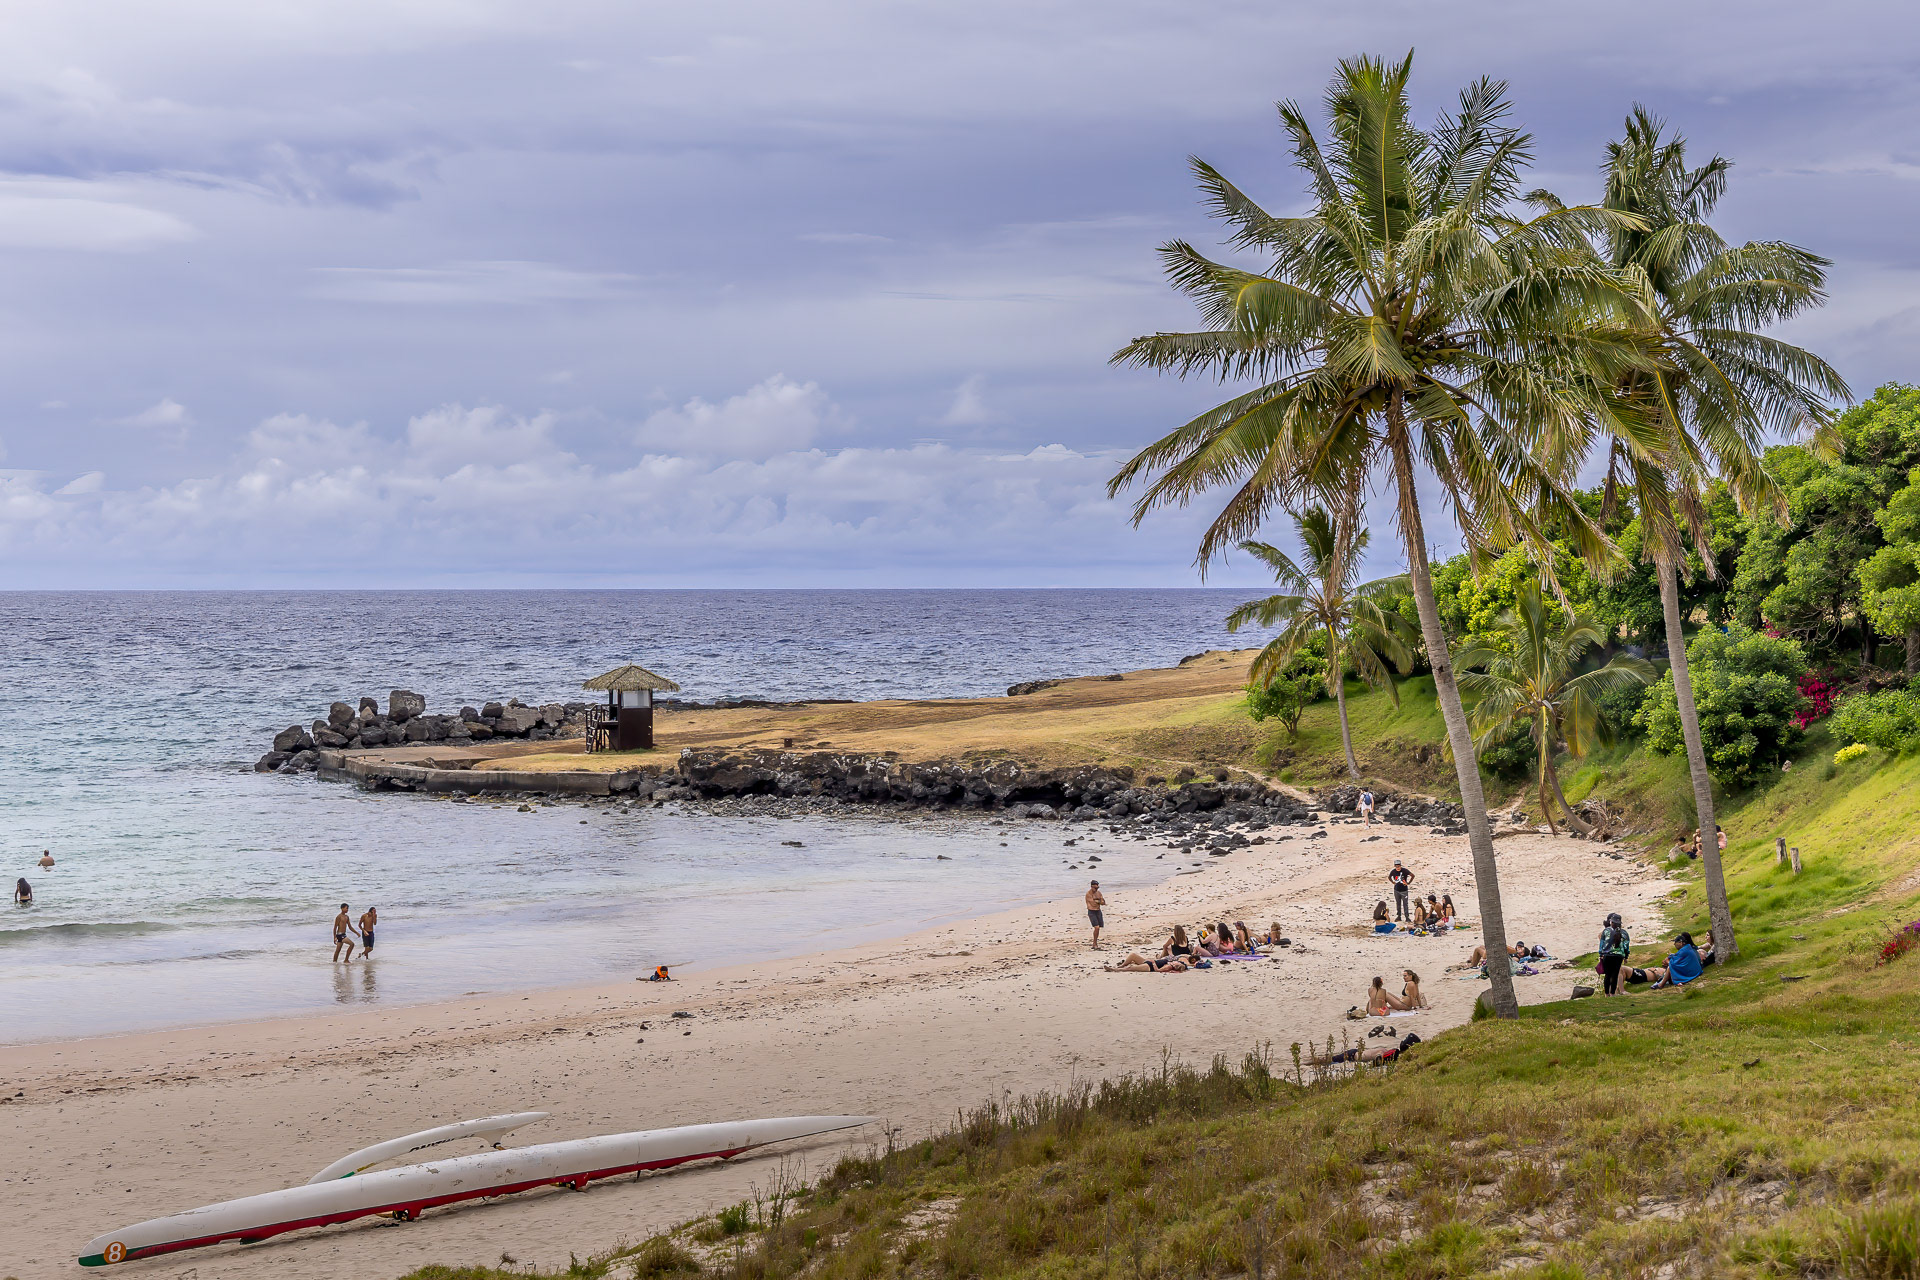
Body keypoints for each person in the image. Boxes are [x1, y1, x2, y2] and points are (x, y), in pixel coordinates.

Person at [1598, 913, 1630, 996]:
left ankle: (1606, 994)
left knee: (1607, 975)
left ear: (1611, 922)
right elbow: (1626, 947)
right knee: (1615, 975)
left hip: (1607, 955)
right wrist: (1626, 956)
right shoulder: (1624, 933)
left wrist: (1601, 953)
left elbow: (1602, 944)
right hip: (1619, 956)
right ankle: (1613, 994)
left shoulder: (1606, 931)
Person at [1106, 951, 1188, 973]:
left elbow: (1158, 970)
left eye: (1177, 963)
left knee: (1131, 968)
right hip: (1148, 962)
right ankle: (1121, 966)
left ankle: (1116, 970)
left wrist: (1153, 962)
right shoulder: (1173, 963)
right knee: (1133, 955)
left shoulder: (1169, 966)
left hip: (1149, 967)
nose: (1176, 962)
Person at [1084, 880, 1106, 949]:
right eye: (1095, 888)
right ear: (1091, 887)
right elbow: (1092, 903)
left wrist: (1099, 901)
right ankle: (1094, 943)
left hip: (1098, 911)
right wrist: (1099, 901)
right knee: (1096, 927)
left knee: (1099, 927)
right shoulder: (1088, 894)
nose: (1096, 889)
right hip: (1091, 911)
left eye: (1097, 888)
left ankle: (1095, 942)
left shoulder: (1098, 893)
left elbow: (1103, 902)